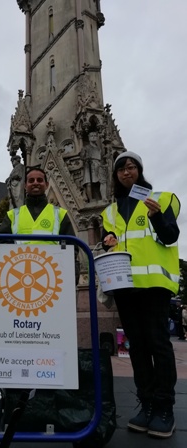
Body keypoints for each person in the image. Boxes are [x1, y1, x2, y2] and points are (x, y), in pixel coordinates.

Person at [100, 151, 180, 439]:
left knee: (159, 344)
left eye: (131, 167)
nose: (125, 172)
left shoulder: (161, 198)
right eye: (120, 169)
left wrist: (156, 215)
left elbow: (171, 236)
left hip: (154, 285)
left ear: (139, 170)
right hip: (125, 286)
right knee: (137, 347)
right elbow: (111, 240)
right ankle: (146, 405)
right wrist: (106, 240)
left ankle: (165, 408)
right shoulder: (110, 210)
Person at [0, 167, 79, 279]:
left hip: (53, 275)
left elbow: (71, 247)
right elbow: (2, 246)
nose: (35, 183)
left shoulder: (60, 214)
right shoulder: (12, 215)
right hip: (19, 275)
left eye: (39, 180)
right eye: (31, 181)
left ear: (46, 184)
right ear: (25, 186)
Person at [80, 131, 107, 203]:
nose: (93, 137)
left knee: (102, 181)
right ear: (89, 138)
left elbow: (101, 158)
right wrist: (86, 158)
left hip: (98, 165)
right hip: (89, 165)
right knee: (88, 182)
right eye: (91, 136)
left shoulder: (99, 149)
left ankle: (103, 197)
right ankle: (91, 199)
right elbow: (82, 157)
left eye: (95, 135)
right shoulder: (86, 147)